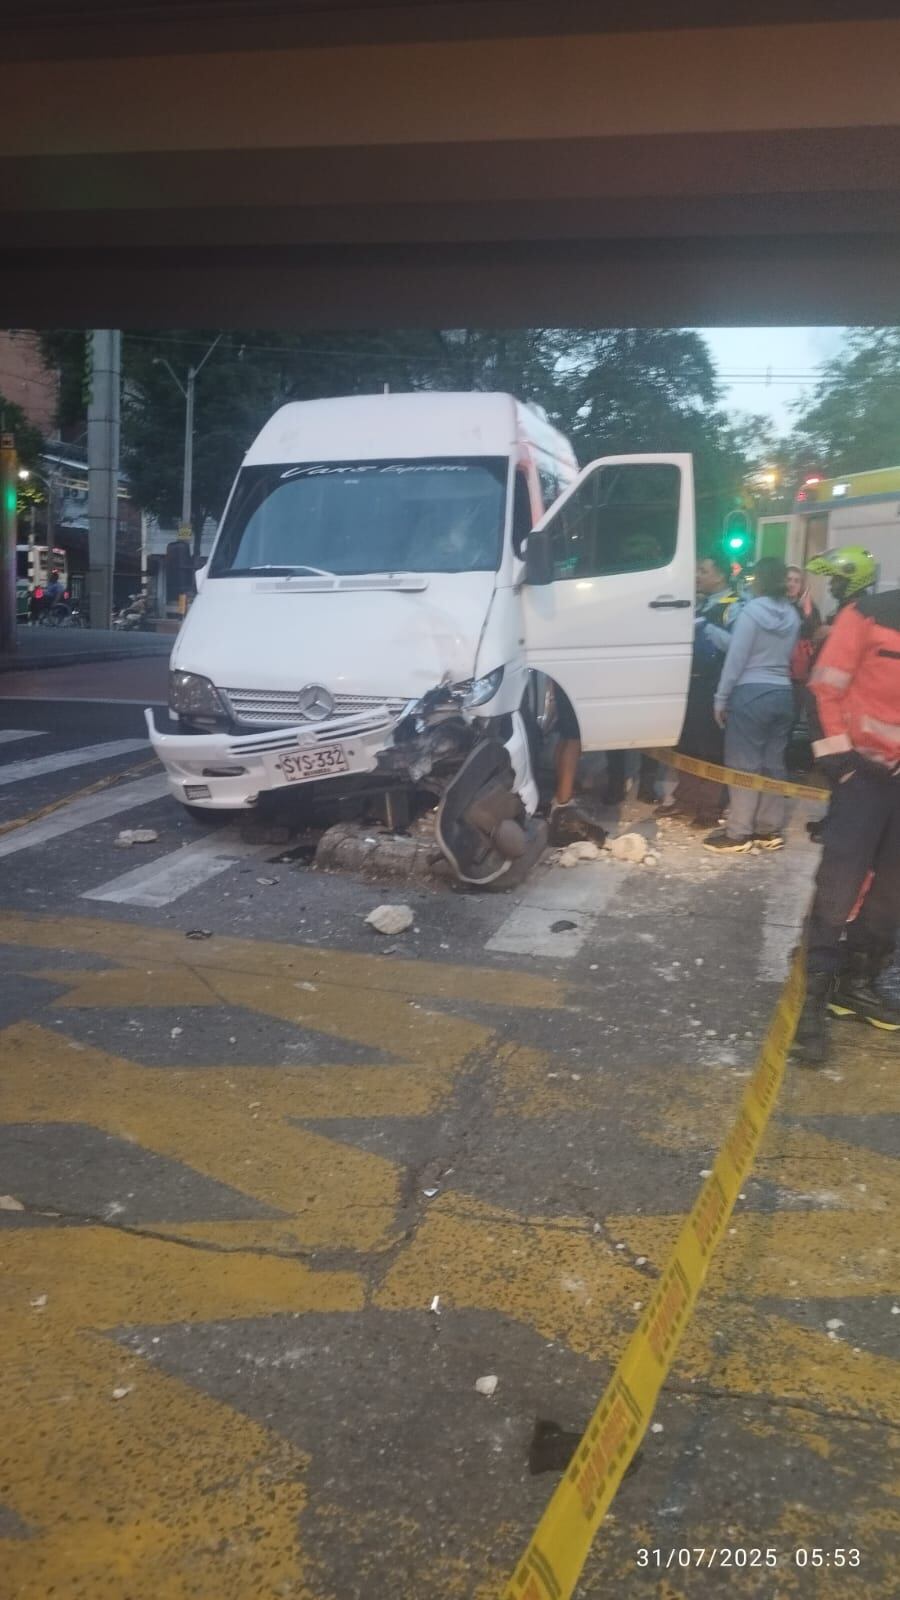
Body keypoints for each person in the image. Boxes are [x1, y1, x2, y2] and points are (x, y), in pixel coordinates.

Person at [793, 587, 900, 1064]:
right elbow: (824, 688)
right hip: (863, 777)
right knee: (840, 886)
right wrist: (843, 766)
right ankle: (811, 997)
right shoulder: (870, 614)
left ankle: (855, 984)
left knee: (892, 893)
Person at [703, 557, 800, 853]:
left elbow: (737, 657)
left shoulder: (751, 613)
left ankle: (738, 833)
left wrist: (721, 697)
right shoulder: (792, 614)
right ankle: (768, 829)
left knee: (743, 765)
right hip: (783, 693)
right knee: (773, 764)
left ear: (759, 580)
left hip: (750, 693)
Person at [658, 553, 740, 827]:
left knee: (711, 747)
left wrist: (708, 628)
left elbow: (737, 647)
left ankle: (710, 807)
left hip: (713, 684)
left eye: (703, 571)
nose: (697, 576)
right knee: (686, 743)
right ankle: (686, 799)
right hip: (688, 683)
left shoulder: (735, 607)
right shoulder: (697, 604)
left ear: (721, 575)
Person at [802, 546, 877, 841]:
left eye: (836, 579)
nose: (832, 585)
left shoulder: (860, 613)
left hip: (840, 708)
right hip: (828, 704)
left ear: (852, 579)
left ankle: (841, 826)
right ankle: (834, 819)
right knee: (832, 767)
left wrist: (831, 633)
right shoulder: (848, 610)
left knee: (841, 768)